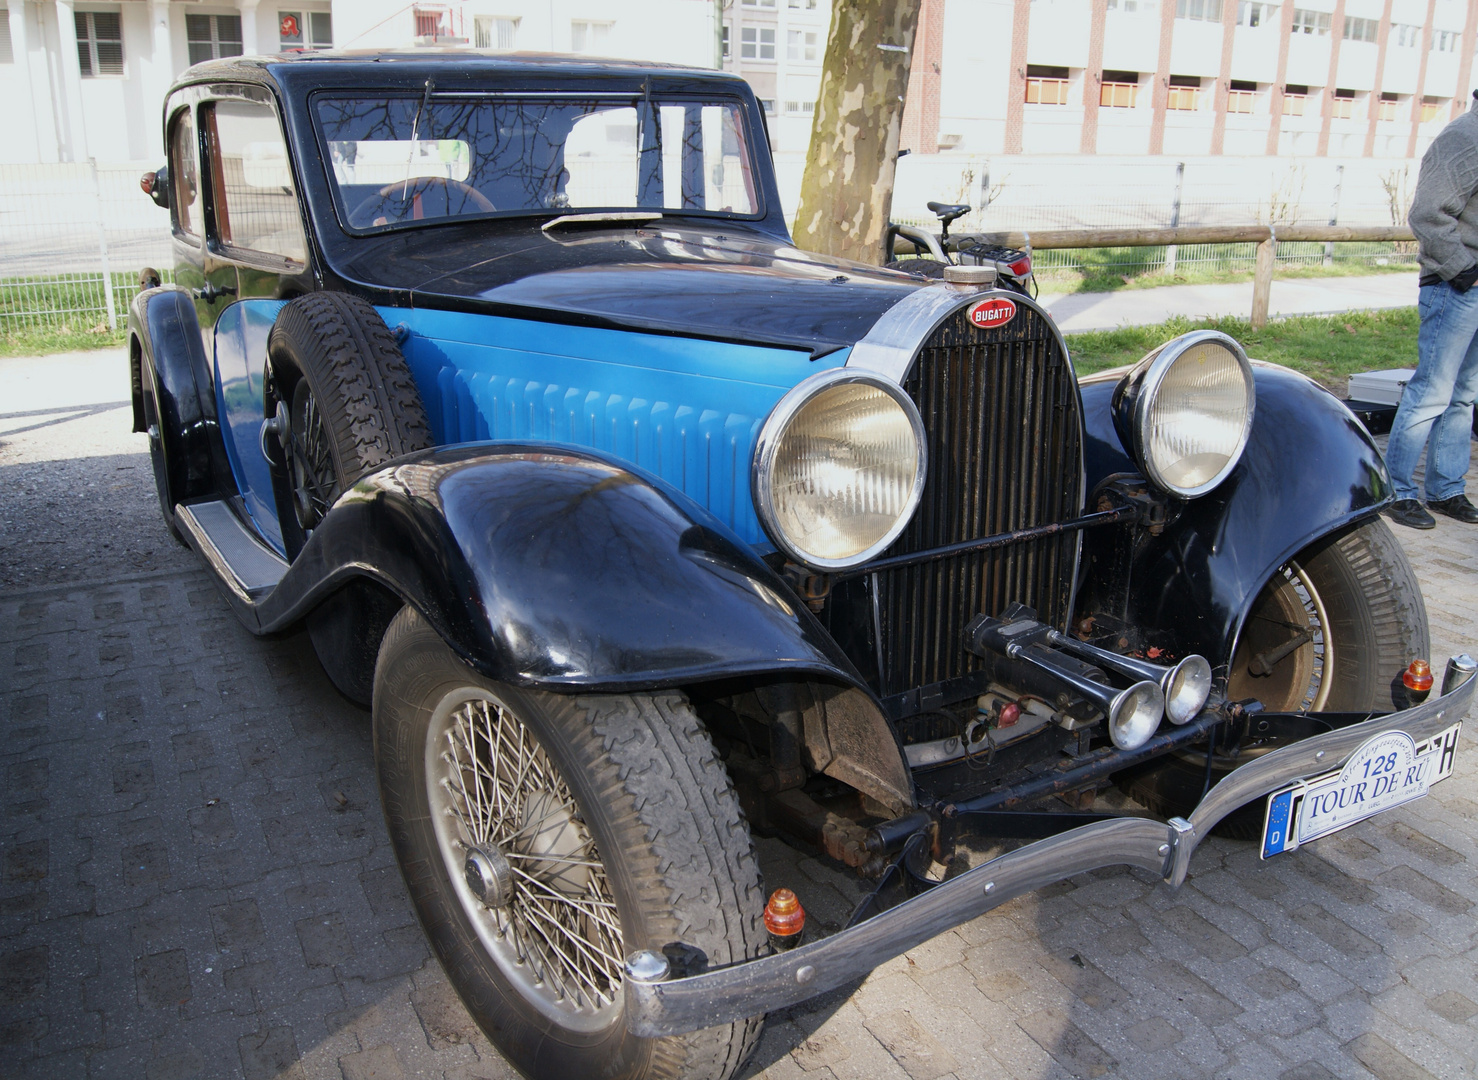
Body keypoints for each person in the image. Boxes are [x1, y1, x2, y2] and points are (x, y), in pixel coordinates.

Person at [1387, 91, 1478, 530]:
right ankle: (1397, 492)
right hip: (1455, 287)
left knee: (1464, 395)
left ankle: (1446, 490)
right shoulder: (1464, 137)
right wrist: (1465, 271)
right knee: (1432, 393)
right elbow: (1427, 213)